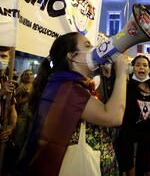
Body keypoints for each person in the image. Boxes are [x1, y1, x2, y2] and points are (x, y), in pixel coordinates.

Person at [16, 32, 129, 175]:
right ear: (71, 56)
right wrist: (121, 74)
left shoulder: (70, 84)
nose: (93, 49)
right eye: (87, 45)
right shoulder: (69, 88)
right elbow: (114, 117)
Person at [117, 55, 150, 176]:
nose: (141, 67)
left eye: (145, 65)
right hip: (131, 140)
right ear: (132, 68)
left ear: (149, 69)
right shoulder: (125, 86)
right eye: (137, 65)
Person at [0, 46, 17, 174]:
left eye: (4, 56)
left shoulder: (8, 81)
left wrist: (10, 127)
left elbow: (12, 109)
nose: (1, 60)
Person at [13, 69, 34, 151]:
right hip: (22, 114)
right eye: (26, 74)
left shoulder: (35, 86)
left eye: (31, 74)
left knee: (30, 138)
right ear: (22, 76)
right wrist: (26, 96)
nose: (29, 76)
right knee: (18, 138)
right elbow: (16, 103)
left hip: (32, 114)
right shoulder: (19, 86)